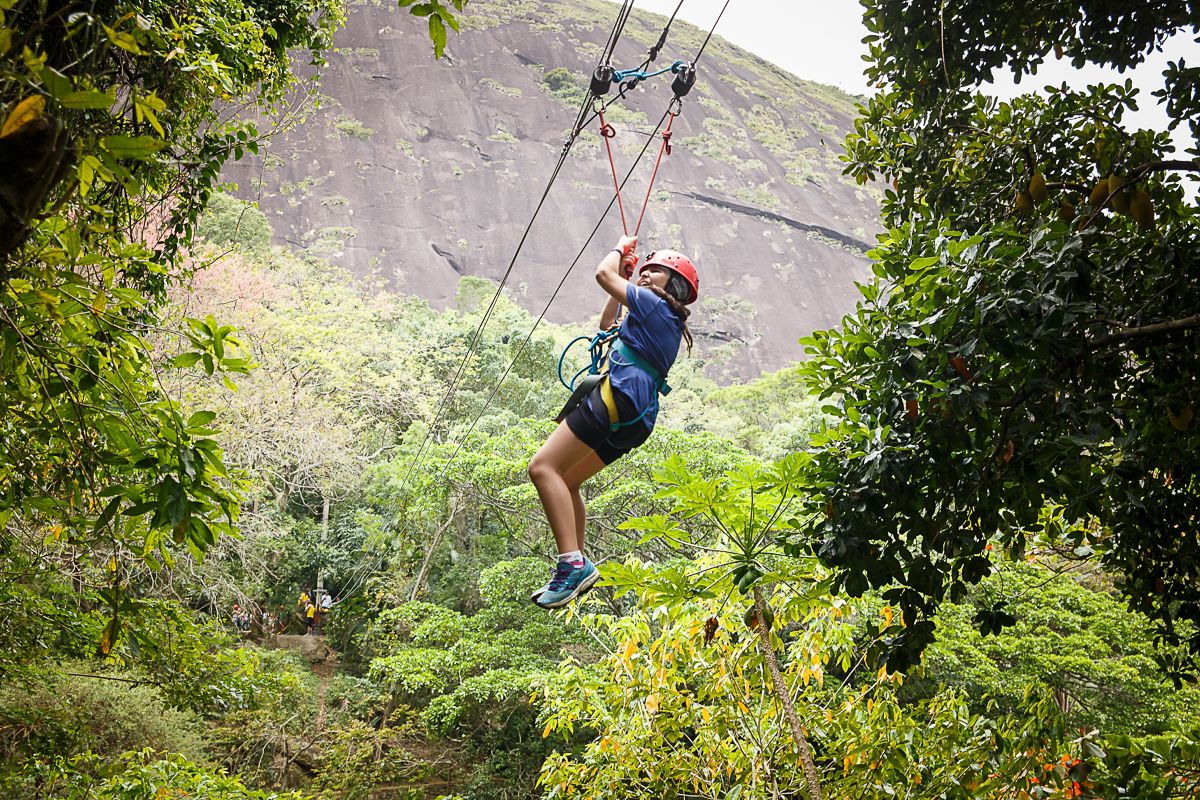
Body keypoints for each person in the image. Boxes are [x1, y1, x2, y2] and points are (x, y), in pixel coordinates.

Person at [527, 235, 698, 609]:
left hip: (617, 397)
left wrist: (620, 250)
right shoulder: (656, 316)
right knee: (567, 480)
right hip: (635, 416)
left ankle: (570, 563)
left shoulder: (654, 305)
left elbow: (602, 274)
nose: (645, 274)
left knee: (541, 468)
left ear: (675, 286)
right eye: (644, 269)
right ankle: (578, 562)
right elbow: (608, 323)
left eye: (655, 271)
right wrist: (625, 274)